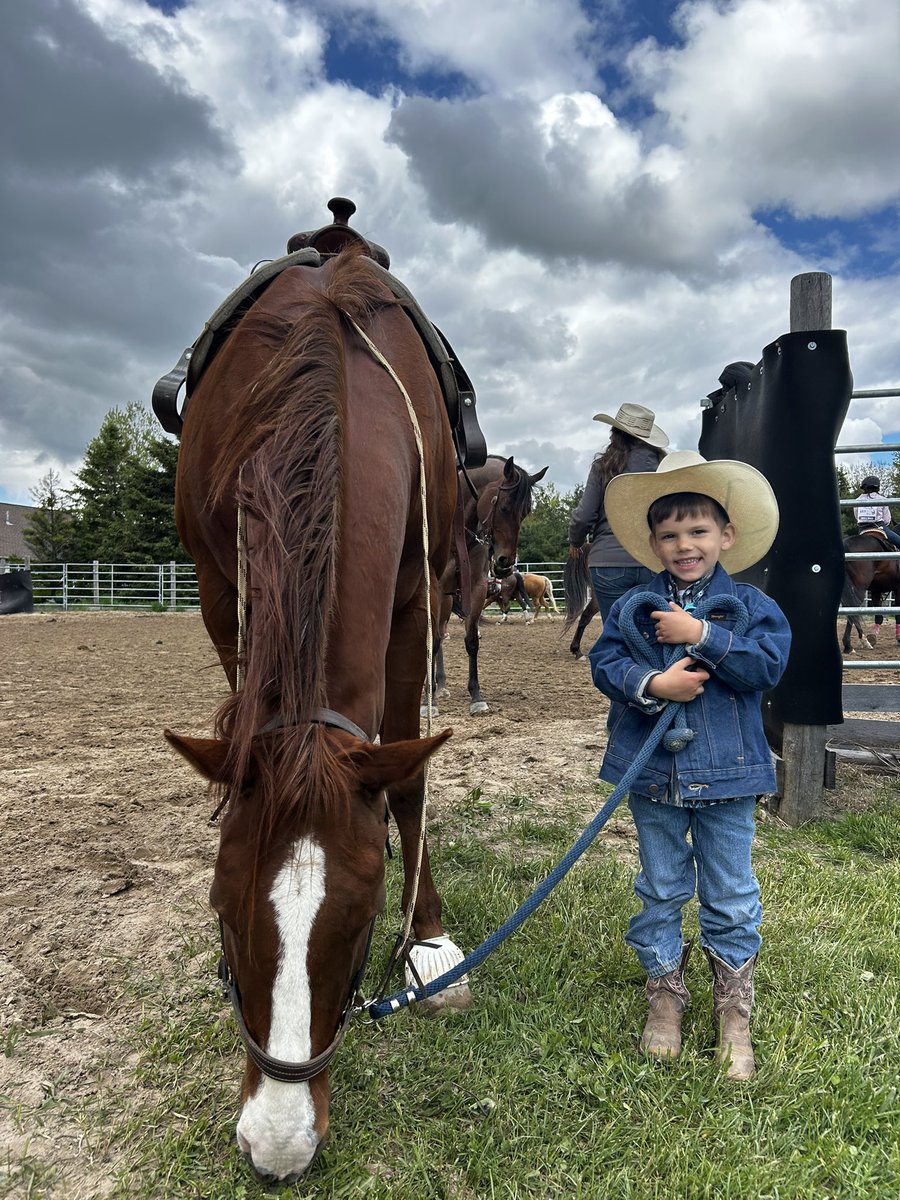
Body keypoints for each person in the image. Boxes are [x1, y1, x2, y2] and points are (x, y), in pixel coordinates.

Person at [588, 451, 791, 1080]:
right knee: (661, 885)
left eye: (698, 531)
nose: (685, 544)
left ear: (726, 536)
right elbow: (606, 663)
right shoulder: (632, 606)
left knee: (729, 891)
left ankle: (734, 1011)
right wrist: (652, 683)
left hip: (728, 776)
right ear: (652, 542)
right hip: (653, 777)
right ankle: (665, 998)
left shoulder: (753, 606)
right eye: (670, 534)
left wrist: (701, 636)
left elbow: (767, 666)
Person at [568, 403, 669, 623]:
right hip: (655, 559)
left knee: (617, 634)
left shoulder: (603, 467)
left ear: (615, 433)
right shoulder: (664, 468)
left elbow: (584, 516)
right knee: (655, 633)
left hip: (608, 561)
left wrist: (575, 541)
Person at [853, 475, 900, 550]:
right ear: (878, 487)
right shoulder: (882, 499)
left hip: (862, 529)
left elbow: (856, 516)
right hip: (880, 527)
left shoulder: (857, 500)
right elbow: (887, 519)